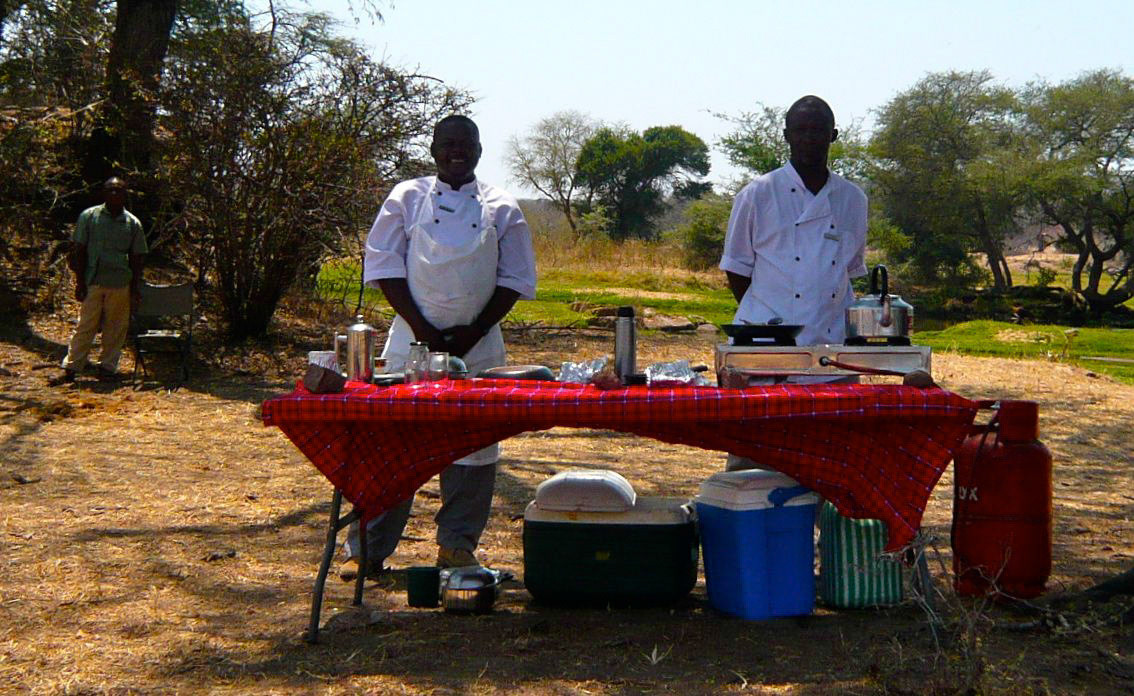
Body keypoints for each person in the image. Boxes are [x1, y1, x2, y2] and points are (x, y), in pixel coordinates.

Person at [341, 114, 537, 579]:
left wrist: (473, 331)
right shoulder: (406, 198)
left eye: (465, 144)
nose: (456, 151)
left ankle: (457, 547)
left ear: (480, 150)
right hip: (411, 340)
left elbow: (513, 278)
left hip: (480, 346)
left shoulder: (503, 207)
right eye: (447, 144)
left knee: (474, 448)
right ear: (432, 149)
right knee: (393, 446)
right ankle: (366, 551)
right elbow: (385, 267)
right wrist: (423, 329)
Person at [719, 95, 867, 471]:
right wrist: (772, 322)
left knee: (832, 464)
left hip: (831, 351)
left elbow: (848, 270)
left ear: (833, 135)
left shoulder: (852, 199)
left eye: (818, 130)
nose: (809, 139)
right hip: (768, 350)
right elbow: (737, 268)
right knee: (755, 462)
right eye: (801, 130)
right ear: (786, 136)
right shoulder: (757, 194)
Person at [56, 177, 147, 384]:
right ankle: (71, 367)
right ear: (104, 193)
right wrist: (79, 282)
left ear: (125, 195)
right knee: (85, 325)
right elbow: (78, 250)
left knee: (115, 328)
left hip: (120, 282)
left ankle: (107, 367)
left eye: (119, 191)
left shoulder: (132, 223)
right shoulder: (89, 217)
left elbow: (137, 257)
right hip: (93, 280)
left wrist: (134, 288)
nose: (115, 194)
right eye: (111, 190)